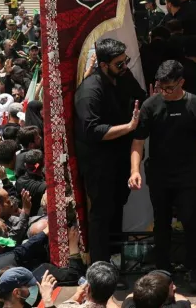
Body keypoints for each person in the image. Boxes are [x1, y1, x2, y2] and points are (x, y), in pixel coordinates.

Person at [129, 60, 196, 293]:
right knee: (161, 222)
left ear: (181, 83)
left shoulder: (195, 104)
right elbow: (138, 142)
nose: (164, 93)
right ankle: (162, 270)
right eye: (161, 88)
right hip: (159, 173)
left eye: (169, 88)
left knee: (190, 219)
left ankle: (194, 266)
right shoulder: (151, 105)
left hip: (188, 173)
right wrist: (135, 170)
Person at [73, 38, 145, 269]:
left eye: (125, 62)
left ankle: (116, 257)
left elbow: (139, 97)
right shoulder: (90, 90)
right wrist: (128, 127)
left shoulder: (122, 77)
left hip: (119, 158)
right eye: (119, 64)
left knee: (117, 208)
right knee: (102, 214)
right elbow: (92, 130)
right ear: (103, 65)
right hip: (99, 163)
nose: (124, 67)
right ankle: (100, 267)